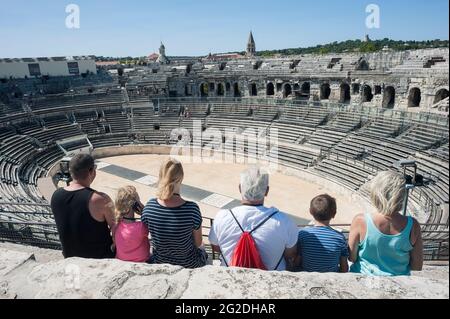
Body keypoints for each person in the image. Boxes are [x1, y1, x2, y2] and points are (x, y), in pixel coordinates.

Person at [208, 167, 298, 271]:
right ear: (267, 191)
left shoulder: (221, 217)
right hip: (271, 276)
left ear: (240, 188)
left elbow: (216, 247)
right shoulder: (284, 221)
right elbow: (290, 254)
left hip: (231, 274)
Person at [348, 171, 423, 276]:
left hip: (363, 278)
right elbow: (417, 266)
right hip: (399, 280)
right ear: (401, 195)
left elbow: (352, 257)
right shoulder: (413, 225)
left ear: (376, 194)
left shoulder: (360, 221)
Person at [141, 158, 207, 268]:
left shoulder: (149, 207)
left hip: (160, 262)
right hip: (188, 264)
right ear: (181, 178)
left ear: (161, 177)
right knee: (203, 247)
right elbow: (198, 243)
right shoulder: (192, 209)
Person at [50, 153, 116, 259]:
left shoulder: (55, 196)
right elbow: (115, 226)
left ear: (71, 172)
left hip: (71, 258)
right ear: (91, 172)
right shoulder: (101, 199)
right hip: (100, 258)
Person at [296, 194, 349, 273]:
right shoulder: (340, 238)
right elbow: (344, 268)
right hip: (331, 278)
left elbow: (297, 261)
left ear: (310, 211)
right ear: (334, 214)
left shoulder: (302, 234)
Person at [114, 186, 150, 263]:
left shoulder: (117, 223)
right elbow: (153, 224)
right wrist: (144, 211)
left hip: (121, 260)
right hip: (141, 262)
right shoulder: (141, 227)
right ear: (135, 205)